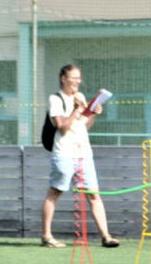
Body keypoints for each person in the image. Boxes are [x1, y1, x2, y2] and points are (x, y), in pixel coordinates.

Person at [40, 64, 120, 248]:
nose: (77, 81)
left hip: (83, 153)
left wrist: (93, 113)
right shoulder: (55, 99)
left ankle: (106, 236)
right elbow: (63, 127)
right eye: (74, 78)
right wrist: (75, 109)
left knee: (93, 194)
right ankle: (46, 236)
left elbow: (84, 126)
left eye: (79, 78)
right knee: (55, 192)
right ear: (63, 79)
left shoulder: (81, 97)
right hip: (64, 153)